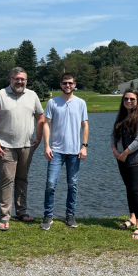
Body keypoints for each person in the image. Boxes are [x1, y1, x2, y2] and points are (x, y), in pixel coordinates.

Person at [0, 67, 44, 231]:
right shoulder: (0, 95)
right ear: (10, 79)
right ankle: (4, 216)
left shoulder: (32, 95)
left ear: (26, 81)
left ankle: (22, 211)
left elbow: (40, 117)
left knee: (22, 179)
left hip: (26, 145)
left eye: (23, 79)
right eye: (17, 79)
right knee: (7, 180)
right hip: (5, 146)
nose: (20, 82)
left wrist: (38, 138)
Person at [40, 73, 88, 230]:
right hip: (56, 152)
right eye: (65, 83)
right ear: (60, 84)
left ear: (75, 84)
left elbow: (84, 125)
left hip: (74, 152)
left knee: (72, 185)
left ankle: (70, 215)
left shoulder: (81, 103)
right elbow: (46, 124)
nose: (68, 85)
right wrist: (46, 146)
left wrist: (84, 146)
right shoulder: (53, 103)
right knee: (50, 184)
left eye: (70, 83)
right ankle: (48, 216)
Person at [110, 88, 138, 240]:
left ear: (137, 101)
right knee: (128, 189)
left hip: (135, 159)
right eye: (126, 99)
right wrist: (114, 150)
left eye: (132, 99)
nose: (128, 101)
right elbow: (113, 135)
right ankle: (132, 217)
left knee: (135, 190)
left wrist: (125, 153)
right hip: (120, 158)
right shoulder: (120, 116)